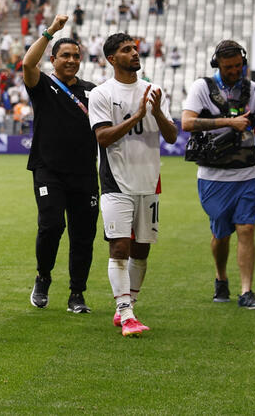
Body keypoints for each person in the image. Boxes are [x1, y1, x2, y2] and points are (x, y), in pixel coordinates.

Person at [89, 33, 178, 337]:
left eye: (135, 49)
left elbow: (171, 136)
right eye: (126, 50)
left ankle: (127, 305)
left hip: (149, 181)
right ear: (112, 59)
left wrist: (157, 113)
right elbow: (102, 137)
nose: (134, 53)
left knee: (141, 250)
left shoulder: (153, 90)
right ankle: (126, 314)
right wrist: (137, 116)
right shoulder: (102, 93)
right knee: (120, 246)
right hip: (116, 181)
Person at [181, 40, 255, 309]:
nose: (234, 71)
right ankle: (221, 278)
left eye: (239, 66)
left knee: (247, 228)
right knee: (221, 234)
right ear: (217, 64)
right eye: (229, 67)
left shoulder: (253, 89)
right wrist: (229, 122)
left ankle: (246, 291)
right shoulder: (202, 87)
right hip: (213, 175)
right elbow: (186, 122)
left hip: (246, 172)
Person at [22, 15, 99, 313]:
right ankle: (43, 276)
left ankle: (77, 293)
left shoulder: (94, 91)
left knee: (84, 234)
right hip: (48, 169)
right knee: (52, 225)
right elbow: (28, 65)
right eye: (65, 55)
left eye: (76, 56)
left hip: (83, 173)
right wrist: (50, 31)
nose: (71, 60)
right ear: (53, 59)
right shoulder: (42, 84)